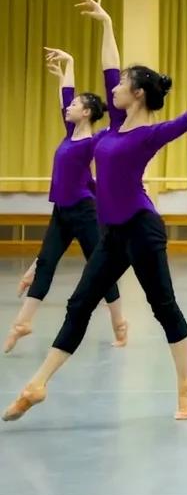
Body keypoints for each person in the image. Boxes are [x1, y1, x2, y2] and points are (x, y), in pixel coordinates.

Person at [2, 0, 187, 423]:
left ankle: (186, 384)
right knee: (79, 304)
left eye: (121, 84)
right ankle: (37, 385)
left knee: (163, 307)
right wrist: (106, 22)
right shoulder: (115, 127)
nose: (114, 88)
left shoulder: (148, 134)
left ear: (137, 94)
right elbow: (110, 63)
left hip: (142, 228)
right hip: (113, 233)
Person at [5, 46, 126, 353]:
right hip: (61, 211)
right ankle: (23, 322)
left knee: (99, 269)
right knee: (46, 263)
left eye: (74, 105)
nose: (67, 107)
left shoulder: (92, 142)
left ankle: (120, 323)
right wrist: (70, 62)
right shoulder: (70, 132)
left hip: (85, 212)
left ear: (86, 112)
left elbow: (116, 137)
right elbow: (66, 92)